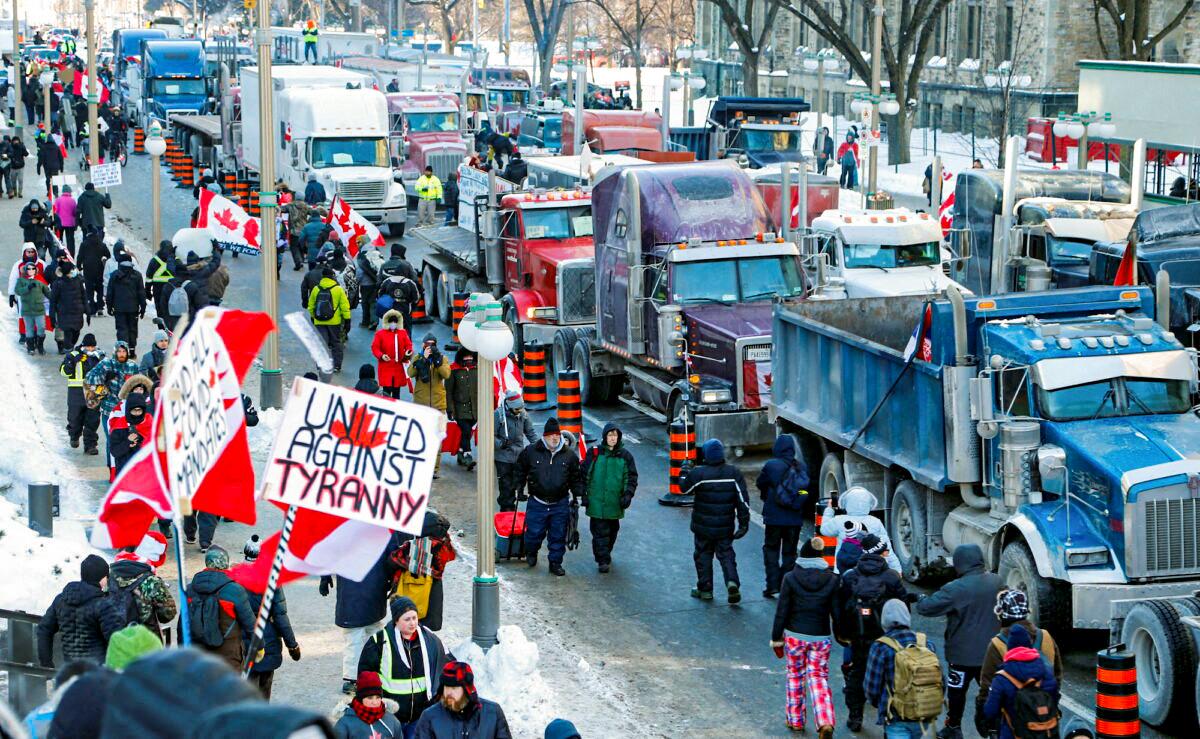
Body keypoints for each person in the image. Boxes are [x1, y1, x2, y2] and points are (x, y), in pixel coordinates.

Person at [915, 544, 1004, 739]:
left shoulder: (955, 588)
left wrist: (920, 597)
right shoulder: (997, 582)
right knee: (990, 692)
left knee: (957, 694)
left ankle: (953, 727)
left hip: (961, 656)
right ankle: (992, 728)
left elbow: (926, 608)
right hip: (991, 655)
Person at [770, 538, 842, 736]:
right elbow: (836, 612)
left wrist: (777, 638)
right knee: (818, 677)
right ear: (820, 557)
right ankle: (825, 720)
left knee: (795, 676)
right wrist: (841, 634)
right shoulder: (832, 579)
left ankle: (795, 720)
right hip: (820, 637)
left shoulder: (790, 578)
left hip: (794, 636)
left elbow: (782, 610)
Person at [841, 534, 912, 731]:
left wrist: (844, 633)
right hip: (887, 638)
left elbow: (840, 609)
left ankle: (855, 717)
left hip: (859, 637)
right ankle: (888, 719)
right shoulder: (891, 578)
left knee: (857, 674)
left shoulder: (850, 576)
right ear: (882, 554)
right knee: (890, 678)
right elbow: (903, 606)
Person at [321, 532, 402, 694]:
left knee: (355, 638)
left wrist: (325, 575)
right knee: (373, 636)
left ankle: (353, 678)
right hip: (374, 589)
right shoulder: (384, 527)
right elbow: (394, 557)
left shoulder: (345, 526)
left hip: (354, 593)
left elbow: (329, 549)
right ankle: (372, 674)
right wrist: (395, 579)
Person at [975, 589, 1063, 737]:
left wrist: (983, 715)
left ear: (1002, 614)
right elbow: (1058, 676)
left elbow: (987, 686)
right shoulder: (1046, 637)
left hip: (1014, 724)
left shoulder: (997, 644)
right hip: (1046, 720)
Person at [358, 596, 450, 733]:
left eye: (414, 618)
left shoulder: (430, 640)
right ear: (396, 621)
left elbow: (447, 666)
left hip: (420, 716)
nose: (412, 623)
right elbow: (365, 675)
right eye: (407, 619)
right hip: (389, 716)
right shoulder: (379, 641)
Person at [683, 439, 750, 603]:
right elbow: (743, 501)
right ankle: (732, 582)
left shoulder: (699, 474)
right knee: (726, 555)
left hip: (702, 527)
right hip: (725, 527)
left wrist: (685, 471)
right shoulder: (733, 473)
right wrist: (743, 524)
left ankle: (705, 590)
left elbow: (684, 488)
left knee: (703, 555)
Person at [864, 599, 944, 737]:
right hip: (925, 714)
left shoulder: (881, 646)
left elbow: (872, 687)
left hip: (896, 716)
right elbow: (940, 679)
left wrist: (883, 706)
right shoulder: (926, 644)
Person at [517, 417, 584, 576]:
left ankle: (555, 563)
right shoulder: (531, 452)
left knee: (558, 535)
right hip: (537, 502)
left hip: (559, 503)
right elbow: (520, 470)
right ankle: (531, 552)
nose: (555, 438)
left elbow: (575, 477)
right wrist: (519, 488)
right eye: (551, 435)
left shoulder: (569, 456)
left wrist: (579, 494)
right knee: (533, 533)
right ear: (545, 436)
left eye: (557, 435)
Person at [37, 554, 124, 667]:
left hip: (71, 672)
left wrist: (46, 665)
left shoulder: (61, 600)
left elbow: (44, 630)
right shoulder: (103, 605)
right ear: (102, 579)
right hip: (97, 674)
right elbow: (116, 640)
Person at [756, 435, 813, 598]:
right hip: (794, 519)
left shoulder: (771, 465)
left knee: (771, 550)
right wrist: (797, 501)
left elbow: (760, 483)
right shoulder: (801, 467)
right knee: (789, 554)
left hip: (774, 517)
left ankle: (772, 586)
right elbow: (804, 490)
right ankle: (785, 585)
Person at [981, 623, 1059, 739]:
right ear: (1029, 646)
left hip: (1013, 734)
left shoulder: (1002, 678)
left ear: (1010, 648)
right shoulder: (1045, 672)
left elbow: (990, 711)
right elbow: (1054, 699)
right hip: (1044, 733)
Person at [185, 546, 255, 672]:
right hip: (228, 658)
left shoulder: (190, 589)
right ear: (225, 563)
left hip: (198, 657)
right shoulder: (234, 590)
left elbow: (183, 625)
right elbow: (250, 624)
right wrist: (259, 646)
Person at [581, 422, 637, 573]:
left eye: (615, 435)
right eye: (610, 435)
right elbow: (584, 475)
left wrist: (628, 494)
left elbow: (631, 478)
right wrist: (583, 494)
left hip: (614, 503)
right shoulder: (594, 454)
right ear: (605, 437)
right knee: (599, 532)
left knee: (613, 530)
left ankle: (606, 553)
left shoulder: (625, 456)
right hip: (596, 503)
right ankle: (602, 560)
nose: (613, 438)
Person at [413, 661, 512, 739]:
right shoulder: (430, 716)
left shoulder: (492, 713)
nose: (449, 693)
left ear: (466, 690)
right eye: (446, 687)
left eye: (454, 688)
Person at [108, 532, 177, 642]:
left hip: (117, 639)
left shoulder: (109, 574)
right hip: (146, 640)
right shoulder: (151, 581)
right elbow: (168, 614)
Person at [243, 576, 301, 700]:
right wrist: (292, 645)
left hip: (245, 638)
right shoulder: (271, 580)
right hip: (268, 638)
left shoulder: (237, 577)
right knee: (264, 687)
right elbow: (280, 616)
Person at [820, 486, 901, 573]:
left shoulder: (839, 520)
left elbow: (824, 530)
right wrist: (897, 570)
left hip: (844, 570)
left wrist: (829, 509)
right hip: (869, 571)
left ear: (846, 503)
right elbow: (887, 547)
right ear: (869, 504)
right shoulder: (876, 522)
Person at [409, 334, 451, 473]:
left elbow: (446, 374)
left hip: (438, 405)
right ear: (423, 345)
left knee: (437, 438)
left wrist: (437, 361)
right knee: (420, 436)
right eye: (427, 345)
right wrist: (423, 359)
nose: (429, 347)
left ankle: (434, 469)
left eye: (432, 345)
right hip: (421, 404)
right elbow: (410, 373)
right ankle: (421, 466)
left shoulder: (442, 358)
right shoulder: (418, 358)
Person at [495, 389, 537, 512]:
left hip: (519, 455)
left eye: (521, 408)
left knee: (518, 479)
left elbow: (530, 432)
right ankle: (507, 508)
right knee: (506, 485)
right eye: (517, 409)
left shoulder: (523, 414)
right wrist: (500, 443)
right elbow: (490, 434)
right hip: (503, 457)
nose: (519, 412)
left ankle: (518, 494)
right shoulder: (498, 415)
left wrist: (539, 446)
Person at [60, 332, 102, 454]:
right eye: (88, 346)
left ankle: (90, 446)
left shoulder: (100, 356)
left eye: (92, 347)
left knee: (92, 420)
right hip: (76, 392)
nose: (90, 349)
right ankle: (74, 434)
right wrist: (71, 363)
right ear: (83, 345)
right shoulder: (73, 355)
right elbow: (63, 372)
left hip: (93, 392)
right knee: (74, 418)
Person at [334, 671, 404, 738]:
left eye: (378, 697)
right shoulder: (345, 724)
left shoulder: (391, 720)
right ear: (360, 698)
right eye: (370, 698)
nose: (375, 702)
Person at [309, 265, 352, 373]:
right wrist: (347, 320)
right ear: (332, 277)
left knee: (322, 343)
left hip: (319, 321)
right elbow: (344, 306)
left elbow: (311, 306)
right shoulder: (338, 289)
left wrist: (314, 317)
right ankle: (337, 366)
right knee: (336, 343)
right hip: (334, 322)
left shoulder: (316, 289)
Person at [445, 347, 478, 469]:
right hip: (459, 409)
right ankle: (467, 454)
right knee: (466, 431)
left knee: (466, 433)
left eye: (471, 357)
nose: (469, 359)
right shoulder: (454, 370)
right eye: (466, 357)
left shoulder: (477, 370)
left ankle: (460, 453)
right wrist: (450, 409)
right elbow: (448, 392)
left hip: (474, 409)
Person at [106, 257, 146, 355]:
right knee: (132, 328)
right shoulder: (137, 276)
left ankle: (123, 350)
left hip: (119, 308)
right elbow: (141, 293)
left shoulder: (115, 275)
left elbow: (110, 293)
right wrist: (143, 308)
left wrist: (109, 306)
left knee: (121, 329)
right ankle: (132, 349)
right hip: (133, 308)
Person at [49, 259, 88, 353]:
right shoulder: (58, 283)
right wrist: (52, 316)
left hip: (77, 313)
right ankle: (69, 351)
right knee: (68, 334)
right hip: (64, 313)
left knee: (76, 333)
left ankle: (70, 348)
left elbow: (84, 296)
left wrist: (87, 310)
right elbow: (53, 300)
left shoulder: (78, 281)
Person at [109, 393, 152, 472]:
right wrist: (127, 442)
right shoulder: (120, 426)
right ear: (128, 410)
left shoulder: (150, 424)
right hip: (125, 470)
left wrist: (139, 444)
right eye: (134, 410)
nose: (137, 413)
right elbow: (115, 452)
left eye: (139, 410)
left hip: (145, 470)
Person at [15, 261, 51, 354]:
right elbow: (18, 291)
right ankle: (30, 347)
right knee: (29, 330)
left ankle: (40, 346)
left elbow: (48, 292)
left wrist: (56, 298)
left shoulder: (39, 280)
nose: (31, 270)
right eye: (29, 268)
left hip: (39, 310)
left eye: (33, 268)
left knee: (41, 328)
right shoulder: (21, 280)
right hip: (27, 310)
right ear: (25, 270)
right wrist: (28, 287)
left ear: (36, 270)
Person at [76, 226, 110, 313]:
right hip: (99, 269)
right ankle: (100, 307)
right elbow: (108, 255)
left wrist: (79, 266)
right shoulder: (101, 244)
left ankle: (91, 307)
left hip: (88, 269)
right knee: (99, 288)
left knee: (89, 288)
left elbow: (80, 256)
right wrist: (104, 260)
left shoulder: (84, 244)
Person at [356, 240, 385, 328]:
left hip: (365, 285)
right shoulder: (375, 252)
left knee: (365, 303)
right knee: (373, 302)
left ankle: (365, 322)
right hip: (375, 283)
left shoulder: (362, 257)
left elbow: (360, 273)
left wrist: (357, 281)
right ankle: (374, 321)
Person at [145, 239, 176, 319]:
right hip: (172, 289)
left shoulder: (154, 261)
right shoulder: (175, 260)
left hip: (158, 290)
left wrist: (147, 292)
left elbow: (149, 278)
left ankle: (162, 329)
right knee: (172, 313)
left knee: (160, 312)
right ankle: (171, 329)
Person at [53, 184, 78, 255]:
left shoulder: (58, 200)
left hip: (60, 223)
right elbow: (74, 212)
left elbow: (55, 211)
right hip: (70, 223)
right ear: (70, 192)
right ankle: (71, 255)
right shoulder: (73, 201)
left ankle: (60, 254)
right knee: (70, 241)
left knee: (59, 240)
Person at [7, 132, 26, 197]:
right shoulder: (10, 147)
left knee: (20, 180)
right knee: (13, 181)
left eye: (17, 140)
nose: (16, 142)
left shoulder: (21, 146)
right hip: (13, 167)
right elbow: (8, 155)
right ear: (12, 141)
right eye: (14, 141)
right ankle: (14, 191)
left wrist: (23, 148)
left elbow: (26, 154)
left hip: (20, 167)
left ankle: (20, 193)